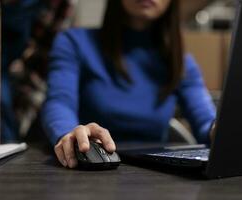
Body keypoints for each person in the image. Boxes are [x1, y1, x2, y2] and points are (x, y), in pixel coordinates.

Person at [41, 0, 216, 168]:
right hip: (89, 170)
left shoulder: (180, 63)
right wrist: (68, 133)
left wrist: (218, 130)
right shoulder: (74, 42)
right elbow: (59, 101)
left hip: (155, 176)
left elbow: (205, 120)